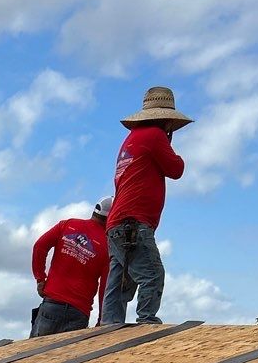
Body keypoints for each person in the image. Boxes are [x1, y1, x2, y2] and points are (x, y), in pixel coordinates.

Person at [100, 85, 191, 329]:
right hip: (134, 222)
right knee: (152, 274)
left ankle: (110, 325)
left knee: (120, 280)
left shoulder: (130, 139)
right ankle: (147, 322)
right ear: (167, 120)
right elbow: (176, 169)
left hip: (117, 222)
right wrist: (172, 149)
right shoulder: (154, 135)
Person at [30, 199, 111, 334]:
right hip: (78, 312)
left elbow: (39, 246)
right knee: (67, 355)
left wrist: (40, 279)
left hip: (52, 305)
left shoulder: (68, 225)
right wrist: (102, 318)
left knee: (33, 353)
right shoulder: (108, 246)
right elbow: (105, 287)